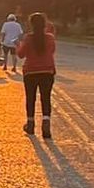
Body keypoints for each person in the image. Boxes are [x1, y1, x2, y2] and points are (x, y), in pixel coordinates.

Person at [18, 10, 57, 139]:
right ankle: (46, 125)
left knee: (31, 98)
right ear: (45, 24)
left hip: (31, 71)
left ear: (31, 24)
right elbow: (51, 51)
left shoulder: (28, 38)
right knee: (46, 98)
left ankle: (30, 124)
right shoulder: (50, 38)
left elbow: (21, 54)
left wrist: (18, 45)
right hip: (47, 71)